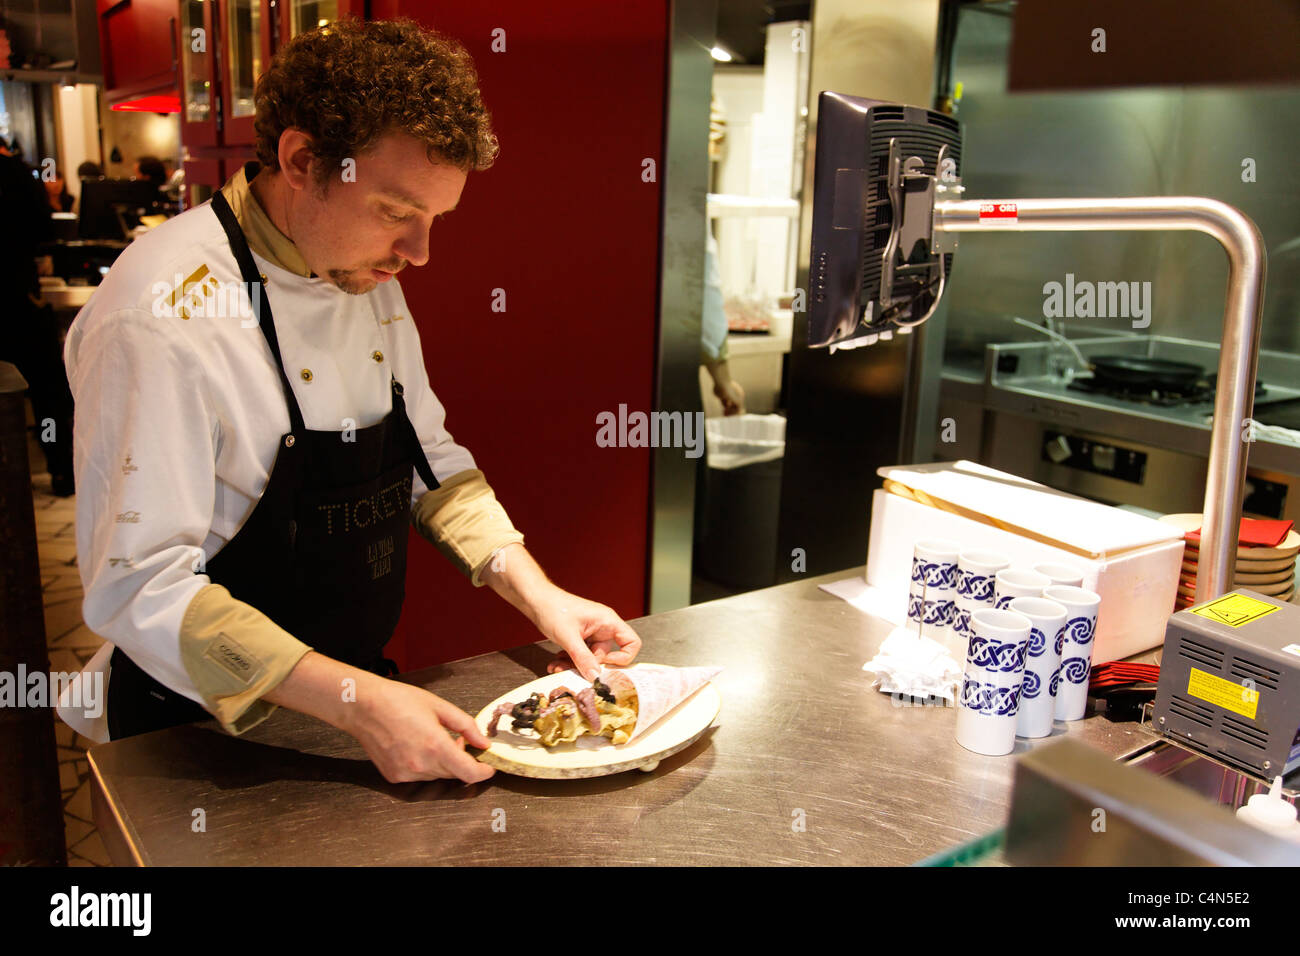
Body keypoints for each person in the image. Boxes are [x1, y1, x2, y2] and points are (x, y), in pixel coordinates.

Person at [62, 18, 641, 783]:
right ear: (302, 159)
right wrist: (358, 700)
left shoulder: (353, 268)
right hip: (195, 734)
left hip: (353, 704)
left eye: (436, 220)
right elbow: (139, 584)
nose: (419, 253)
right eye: (397, 212)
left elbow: (428, 458)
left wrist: (542, 596)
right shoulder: (160, 313)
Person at [0, 140, 73, 495]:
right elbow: (43, 231)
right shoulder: (18, 174)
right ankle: (60, 470)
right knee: (46, 392)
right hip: (18, 298)